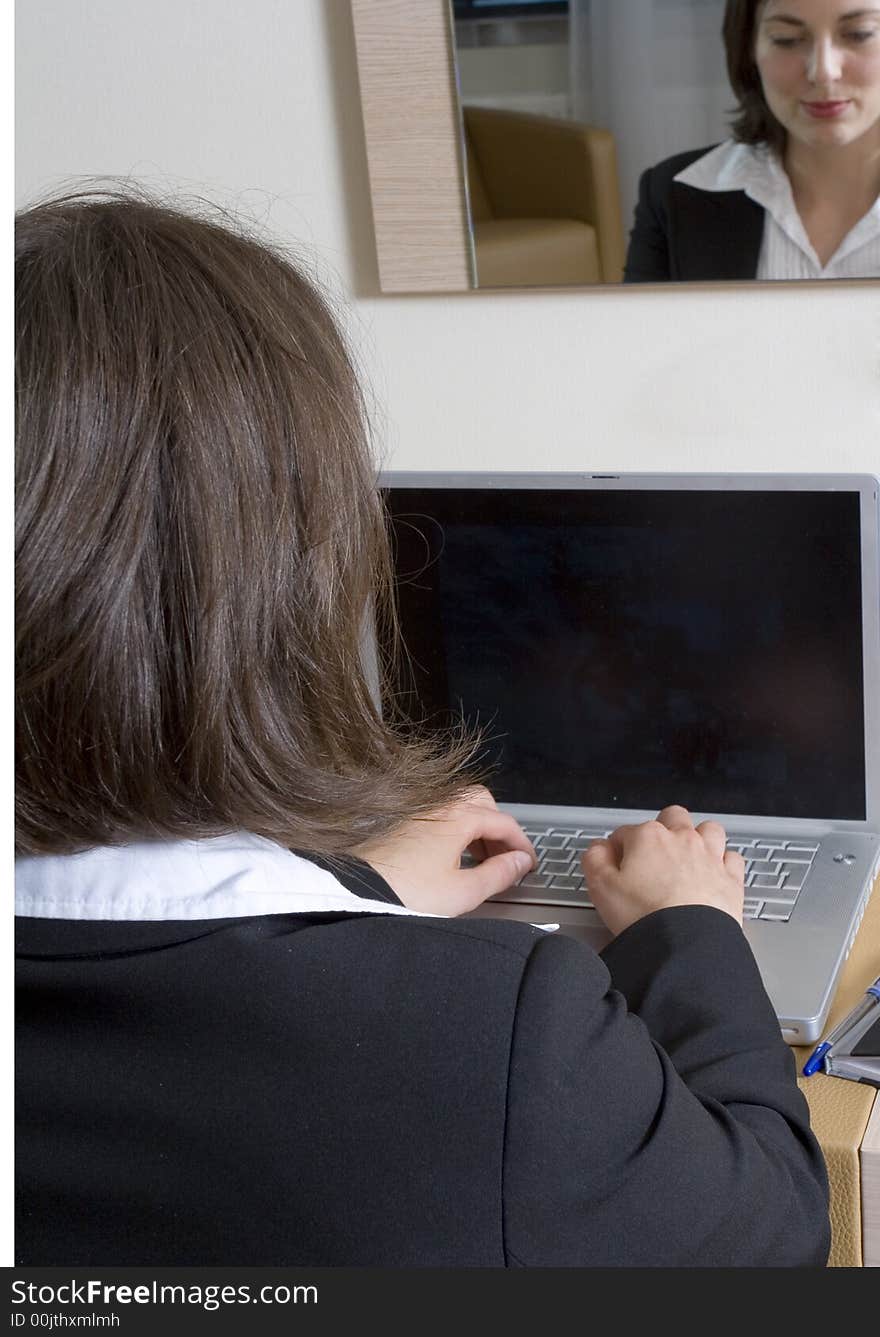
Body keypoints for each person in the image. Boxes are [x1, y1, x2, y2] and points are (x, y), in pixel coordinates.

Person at [15, 188, 831, 1268]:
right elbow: (772, 1229)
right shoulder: (488, 1032)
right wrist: (691, 930)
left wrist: (360, 897)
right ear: (291, 568)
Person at [623, 0, 880, 281]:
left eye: (860, 34)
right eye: (787, 40)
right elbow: (641, 325)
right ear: (749, 51)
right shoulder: (675, 194)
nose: (822, 72)